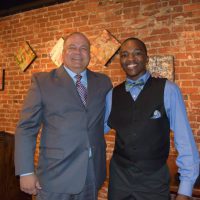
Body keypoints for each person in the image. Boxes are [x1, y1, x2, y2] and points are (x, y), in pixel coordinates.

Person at [15, 32, 112, 200]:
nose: (78, 52)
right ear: (62, 53)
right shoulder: (42, 81)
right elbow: (26, 128)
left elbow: (107, 118)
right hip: (55, 174)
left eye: (84, 48)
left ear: (89, 54)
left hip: (91, 173)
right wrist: (26, 171)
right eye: (72, 47)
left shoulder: (103, 82)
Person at [104, 37, 199, 200]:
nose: (131, 59)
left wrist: (185, 189)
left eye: (137, 53)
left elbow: (184, 140)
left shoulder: (168, 90)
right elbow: (96, 130)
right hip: (119, 182)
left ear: (147, 58)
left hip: (153, 183)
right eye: (125, 54)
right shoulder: (112, 94)